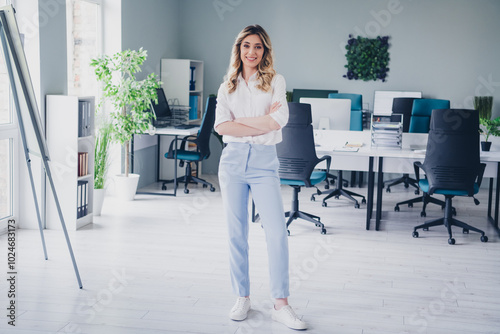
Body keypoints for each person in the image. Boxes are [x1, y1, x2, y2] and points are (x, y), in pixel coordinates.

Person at [214, 24, 307, 331]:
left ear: (265, 51)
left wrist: (240, 122)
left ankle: (281, 304)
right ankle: (242, 296)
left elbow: (280, 119)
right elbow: (221, 127)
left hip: (265, 163)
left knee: (277, 233)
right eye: (246, 46)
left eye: (258, 47)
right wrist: (262, 123)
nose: (252, 52)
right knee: (236, 234)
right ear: (238, 49)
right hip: (232, 163)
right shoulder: (226, 85)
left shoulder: (275, 81)